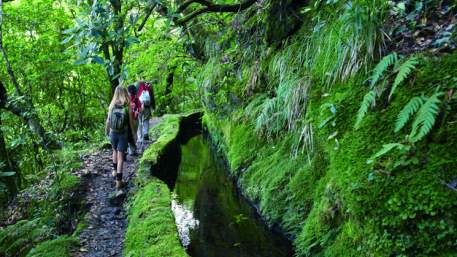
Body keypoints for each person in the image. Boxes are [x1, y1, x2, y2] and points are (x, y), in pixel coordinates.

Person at [105, 86, 136, 189]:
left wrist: (107, 131)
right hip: (123, 134)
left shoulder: (112, 105)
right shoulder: (127, 106)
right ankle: (119, 181)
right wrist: (134, 134)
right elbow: (131, 123)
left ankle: (114, 171)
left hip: (113, 133)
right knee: (121, 157)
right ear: (124, 93)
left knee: (114, 151)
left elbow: (108, 121)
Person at [127, 84, 140, 156]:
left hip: (128, 120)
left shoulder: (126, 99)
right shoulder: (137, 99)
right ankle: (133, 150)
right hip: (135, 119)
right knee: (134, 134)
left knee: (129, 134)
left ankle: (131, 150)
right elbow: (140, 109)